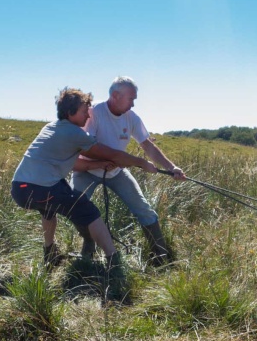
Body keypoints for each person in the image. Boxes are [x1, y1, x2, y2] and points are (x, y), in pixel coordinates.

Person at [11, 87, 157, 280]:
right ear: (70, 113)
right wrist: (141, 162)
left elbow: (76, 164)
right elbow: (112, 154)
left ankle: (50, 252)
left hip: (20, 189)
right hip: (44, 188)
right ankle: (114, 261)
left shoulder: (50, 128)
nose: (89, 114)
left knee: (48, 209)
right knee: (90, 213)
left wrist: (99, 165)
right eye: (84, 111)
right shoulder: (75, 133)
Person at [71, 76, 186, 267]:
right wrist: (129, 162)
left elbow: (148, 146)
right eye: (131, 99)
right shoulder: (93, 113)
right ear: (116, 95)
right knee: (75, 206)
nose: (133, 104)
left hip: (116, 172)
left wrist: (171, 167)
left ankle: (162, 257)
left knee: (143, 209)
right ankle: (89, 245)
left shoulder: (131, 118)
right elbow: (86, 147)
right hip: (86, 170)